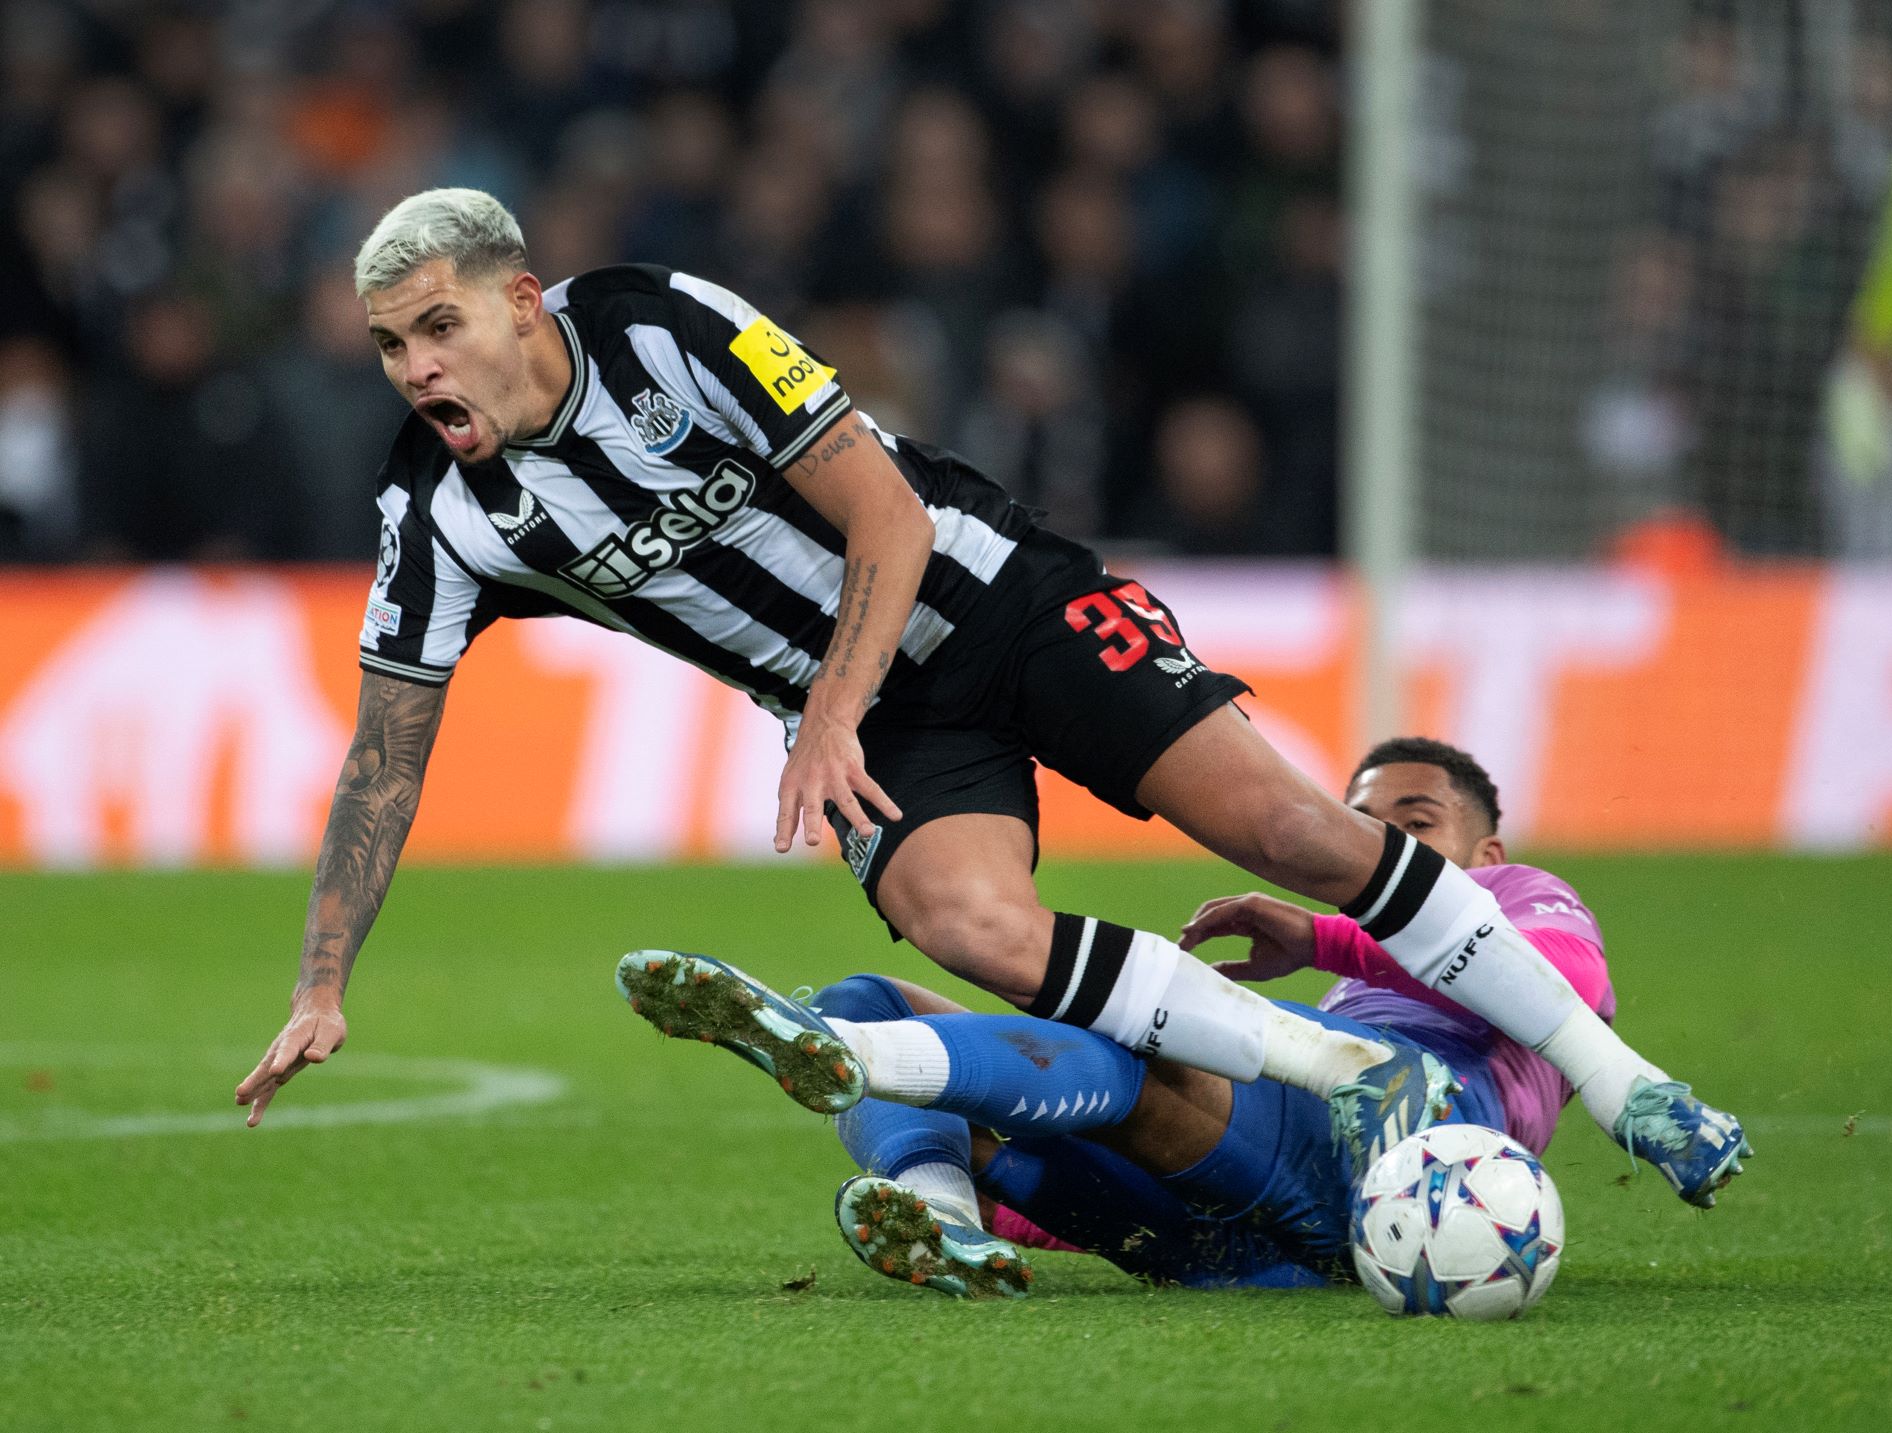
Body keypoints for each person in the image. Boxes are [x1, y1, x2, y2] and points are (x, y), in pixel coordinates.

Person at [233, 188, 1745, 1204]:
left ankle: (1629, 1086)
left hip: (996, 598)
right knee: (974, 926)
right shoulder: (438, 514)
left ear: (518, 300)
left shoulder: (665, 325)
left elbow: (885, 514)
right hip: (893, 719)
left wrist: (823, 711)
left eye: (437, 329)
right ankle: (1347, 1074)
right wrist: (319, 979)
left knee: (1289, 830)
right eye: (387, 348)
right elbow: (382, 760)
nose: (415, 369)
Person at [618, 738, 1747, 1297]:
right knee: (872, 990)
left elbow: (1553, 981)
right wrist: (1040, 1200)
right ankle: (945, 1209)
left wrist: (1321, 936)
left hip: (1416, 1136)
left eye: (1417, 819)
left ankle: (852, 1065)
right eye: (1366, 828)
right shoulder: (1347, 993)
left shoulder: (1518, 902)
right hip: (1226, 1233)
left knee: (1133, 1045)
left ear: (1486, 849)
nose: (1389, 847)